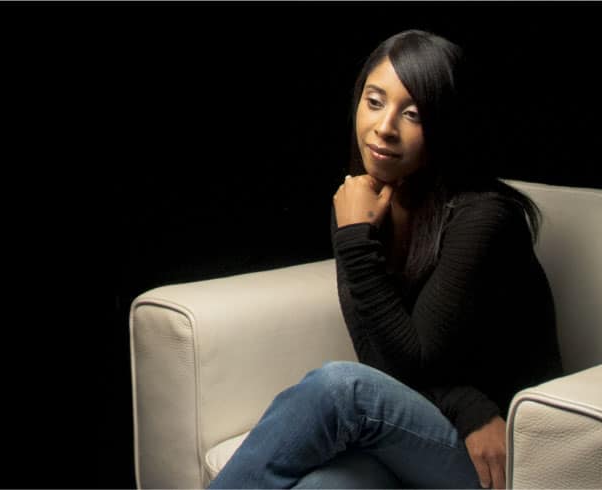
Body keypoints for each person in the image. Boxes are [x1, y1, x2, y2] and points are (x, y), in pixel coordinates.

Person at [208, 29, 562, 489]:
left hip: (502, 453)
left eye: (412, 114)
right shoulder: (360, 204)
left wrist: (356, 240)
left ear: (446, 125)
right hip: (426, 432)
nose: (385, 127)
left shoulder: (484, 217)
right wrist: (356, 233)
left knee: (341, 388)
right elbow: (381, 362)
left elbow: (413, 362)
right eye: (374, 102)